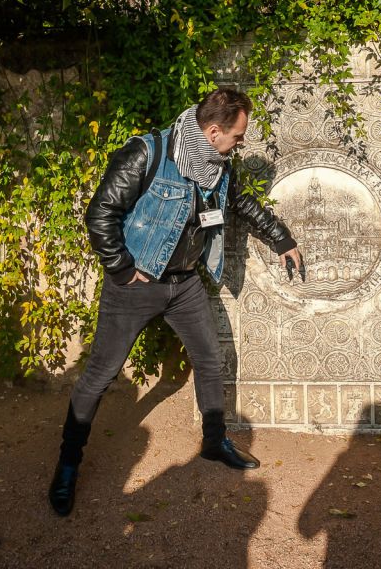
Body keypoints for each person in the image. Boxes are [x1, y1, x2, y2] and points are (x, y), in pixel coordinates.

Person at [48, 88, 303, 517]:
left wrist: (282, 239)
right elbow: (101, 212)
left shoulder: (218, 166)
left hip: (183, 283)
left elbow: (239, 203)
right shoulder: (147, 152)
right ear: (214, 130)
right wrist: (123, 267)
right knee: (100, 375)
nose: (241, 143)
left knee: (209, 359)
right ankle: (68, 464)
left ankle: (214, 440)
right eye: (238, 136)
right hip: (135, 284)